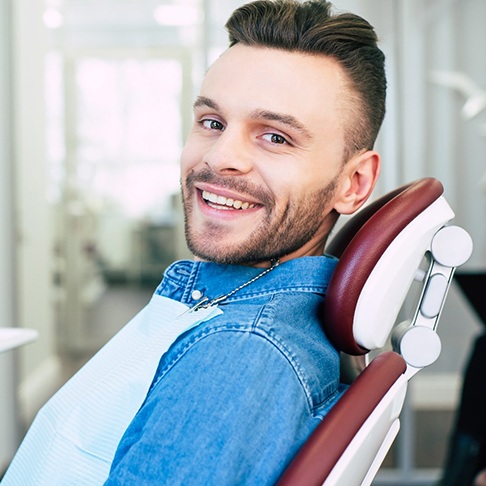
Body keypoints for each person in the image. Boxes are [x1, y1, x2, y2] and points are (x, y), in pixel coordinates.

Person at [1, 0, 386, 484]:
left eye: (275, 137)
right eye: (212, 122)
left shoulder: (239, 355)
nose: (221, 158)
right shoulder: (226, 304)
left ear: (352, 183)